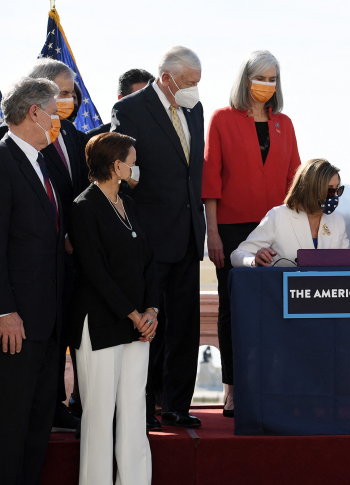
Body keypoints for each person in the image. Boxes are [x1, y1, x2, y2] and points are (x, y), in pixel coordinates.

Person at [111, 45, 205, 430]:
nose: (194, 90)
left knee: (185, 326)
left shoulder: (194, 109)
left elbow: (190, 172)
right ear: (166, 79)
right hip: (150, 236)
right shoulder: (131, 109)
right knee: (149, 327)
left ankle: (177, 405)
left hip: (187, 235)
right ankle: (142, 406)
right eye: (188, 82)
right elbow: (123, 172)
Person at [203, 50, 300, 417]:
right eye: (260, 77)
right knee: (233, 309)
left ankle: (272, 384)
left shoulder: (285, 123)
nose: (267, 85)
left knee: (276, 307)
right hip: (231, 229)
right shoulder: (222, 119)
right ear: (245, 80)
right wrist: (213, 234)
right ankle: (233, 388)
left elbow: (295, 178)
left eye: (273, 78)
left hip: (276, 227)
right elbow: (211, 179)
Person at [70, 132, 158, 485]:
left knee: (134, 413)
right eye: (132, 160)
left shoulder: (129, 204)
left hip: (138, 326)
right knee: (100, 416)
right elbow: (95, 271)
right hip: (101, 324)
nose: (136, 167)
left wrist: (151, 311)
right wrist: (133, 314)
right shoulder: (83, 206)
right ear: (115, 165)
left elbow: (150, 262)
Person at [12, 59, 90, 433]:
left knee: (64, 331)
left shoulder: (62, 146)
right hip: (23, 299)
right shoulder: (7, 152)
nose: (67, 102)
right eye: (57, 97)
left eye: (71, 94)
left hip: (62, 282)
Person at [0, 77, 66, 484]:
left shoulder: (43, 162)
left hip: (49, 318)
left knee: (39, 420)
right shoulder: (3, 160)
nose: (57, 121)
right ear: (33, 113)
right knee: (11, 423)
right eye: (54, 113)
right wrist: (5, 309)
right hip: (17, 322)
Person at [231, 158, 349, 267]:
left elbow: (346, 263)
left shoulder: (337, 219)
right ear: (311, 189)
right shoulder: (278, 216)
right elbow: (238, 255)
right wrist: (253, 261)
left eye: (338, 189)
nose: (335, 196)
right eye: (329, 190)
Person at [88, 69, 154, 137]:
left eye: (151, 97)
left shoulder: (163, 128)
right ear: (121, 99)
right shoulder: (95, 138)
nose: (148, 102)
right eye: (139, 97)